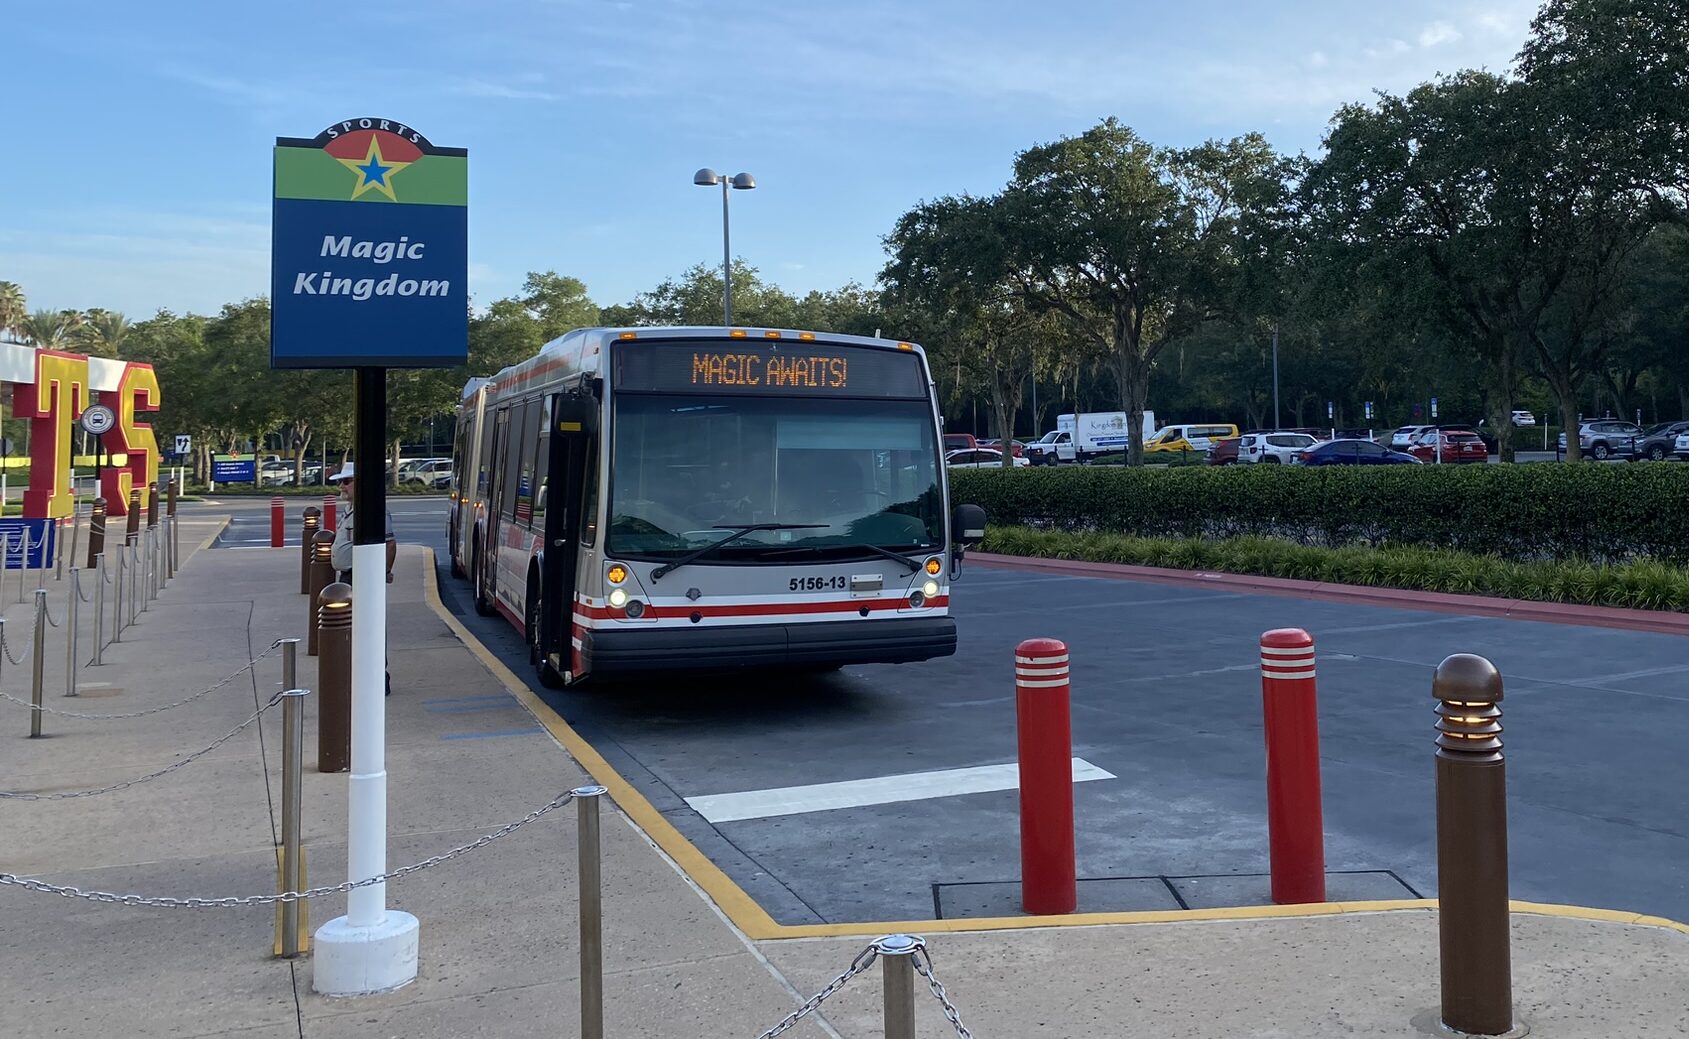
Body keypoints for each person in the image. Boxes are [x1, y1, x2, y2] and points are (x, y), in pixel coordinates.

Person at [327, 463, 396, 695]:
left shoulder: (372, 509)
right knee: (354, 627)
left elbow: (389, 543)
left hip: (363, 577)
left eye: (346, 481)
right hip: (348, 576)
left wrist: (382, 572)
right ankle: (359, 673)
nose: (341, 486)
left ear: (361, 483)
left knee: (370, 626)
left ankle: (377, 676)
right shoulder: (351, 509)